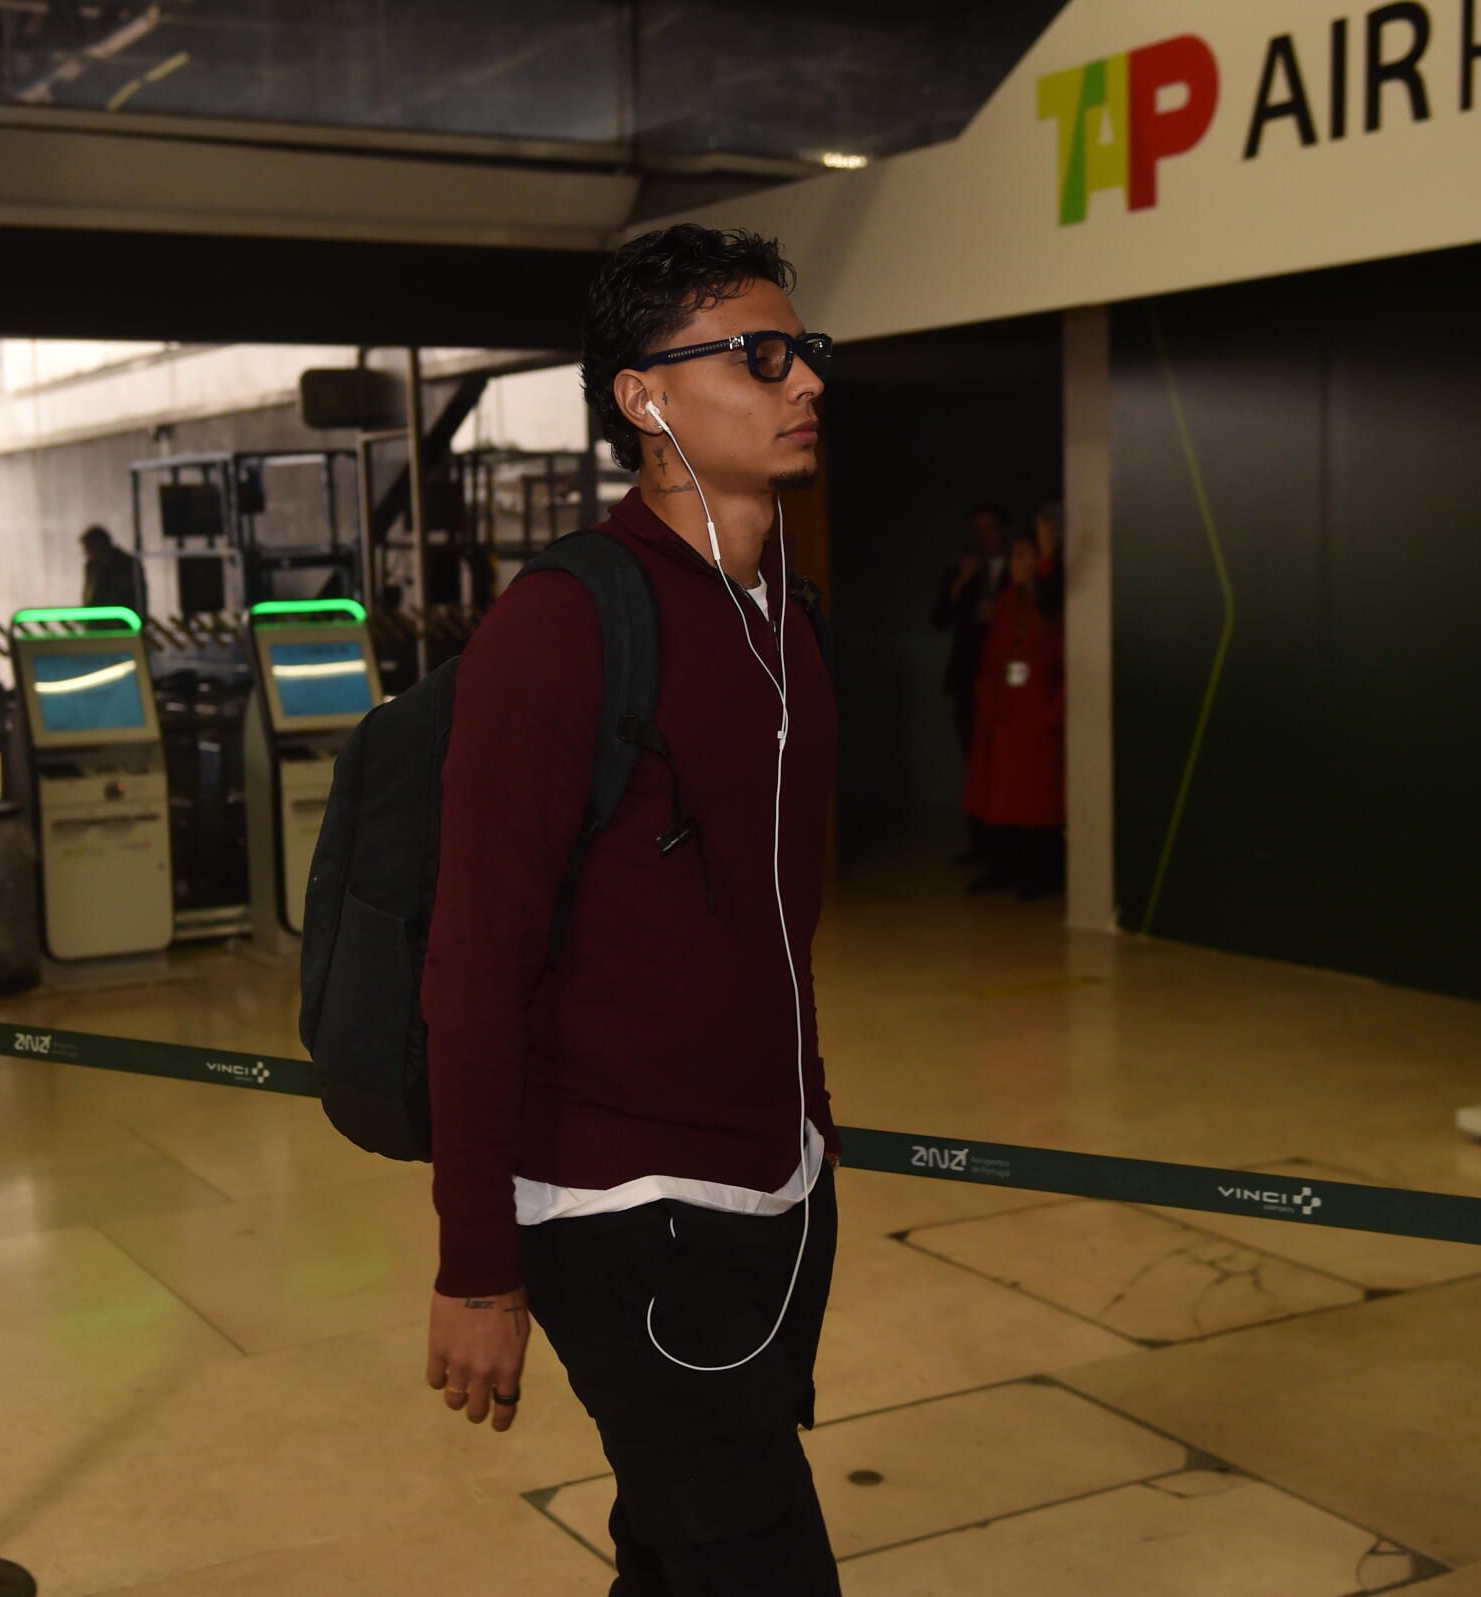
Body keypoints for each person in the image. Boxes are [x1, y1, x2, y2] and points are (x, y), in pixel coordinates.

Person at [419, 223, 844, 1595]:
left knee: (681, 1548)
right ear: (645, 396)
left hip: (772, 1187)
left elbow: (779, 927)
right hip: (619, 1205)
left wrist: (811, 1134)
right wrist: (480, 1266)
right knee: (758, 1561)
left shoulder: (790, 618)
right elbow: (474, 960)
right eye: (761, 356)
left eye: (805, 353)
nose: (804, 384)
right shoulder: (562, 629)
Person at [963, 531, 1066, 900]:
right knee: (1000, 793)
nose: (1016, 563)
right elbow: (993, 654)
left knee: (1038, 797)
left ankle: (1038, 873)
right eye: (1015, 556)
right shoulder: (1007, 599)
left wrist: (1052, 712)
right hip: (1004, 709)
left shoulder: (1054, 607)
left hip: (1038, 712)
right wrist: (986, 698)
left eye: (1024, 555)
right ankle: (1000, 868)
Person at [931, 504, 1008, 758]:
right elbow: (939, 619)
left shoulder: (1014, 571)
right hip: (968, 676)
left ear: (1003, 531)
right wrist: (961, 582)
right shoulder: (959, 574)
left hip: (1006, 672)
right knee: (971, 749)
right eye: (978, 529)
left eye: (990, 528)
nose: (984, 536)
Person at [79, 524, 145, 613]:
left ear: (98, 546)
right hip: (99, 620)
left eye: (88, 548)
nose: (85, 552)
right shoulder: (92, 567)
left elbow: (125, 596)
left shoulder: (125, 564)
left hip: (120, 621)